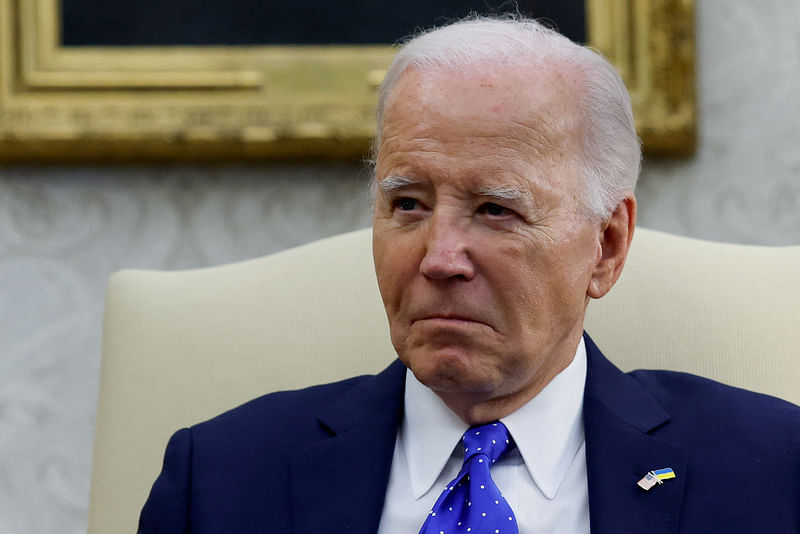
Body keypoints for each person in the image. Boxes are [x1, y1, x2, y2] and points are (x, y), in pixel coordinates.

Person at [138, 16, 800, 534]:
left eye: (495, 210)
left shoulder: (770, 473)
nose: (438, 257)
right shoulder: (220, 479)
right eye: (408, 204)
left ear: (606, 246)